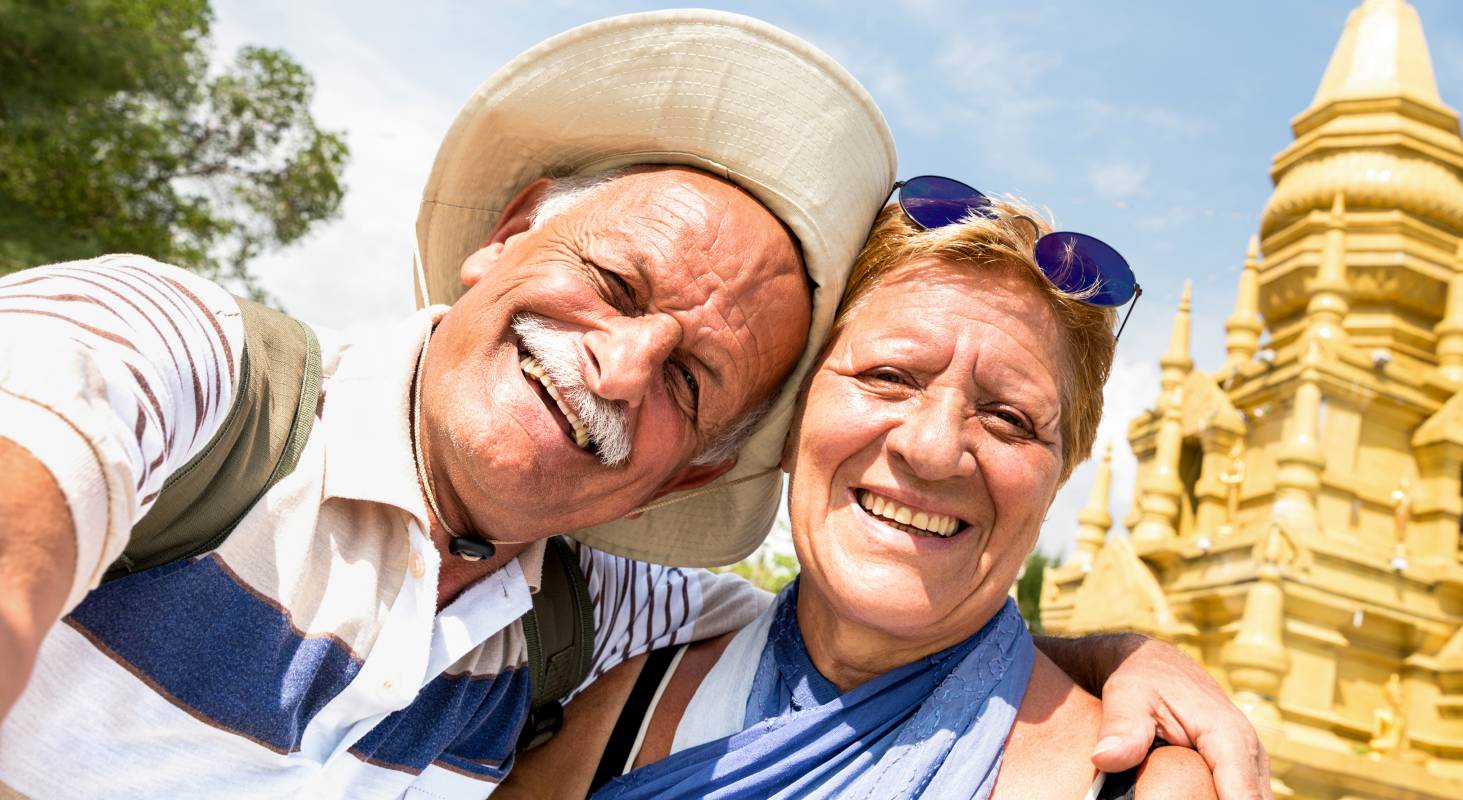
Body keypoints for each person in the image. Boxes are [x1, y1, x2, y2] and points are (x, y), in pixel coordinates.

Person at [0, 11, 1267, 800]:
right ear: (503, 237)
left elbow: (866, 634)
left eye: (691, 381)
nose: (616, 368)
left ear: (684, 474)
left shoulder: (597, 619)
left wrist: (1124, 653)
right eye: (611, 283)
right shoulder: (183, 366)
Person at [497, 189, 1231, 799]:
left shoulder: (1137, 780)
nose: (933, 448)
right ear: (791, 420)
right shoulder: (625, 696)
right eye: (888, 377)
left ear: (1058, 478)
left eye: (1009, 418)